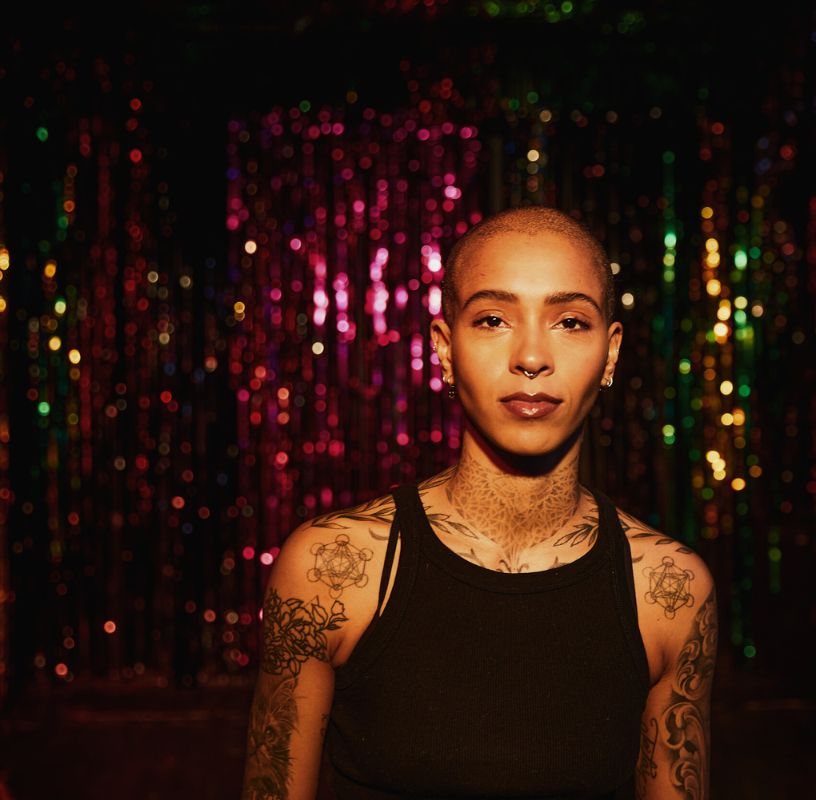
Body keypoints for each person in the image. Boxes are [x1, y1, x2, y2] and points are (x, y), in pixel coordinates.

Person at [241, 205, 717, 799]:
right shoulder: (330, 570)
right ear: (444, 348)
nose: (532, 357)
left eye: (570, 321)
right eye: (493, 318)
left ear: (612, 352)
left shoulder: (669, 592)